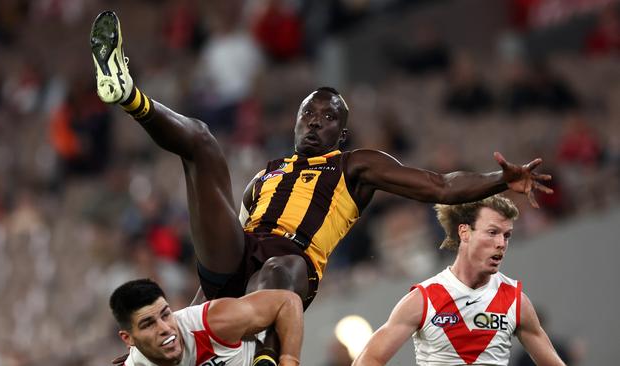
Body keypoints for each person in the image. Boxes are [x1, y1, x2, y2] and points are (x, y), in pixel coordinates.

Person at [90, 10, 552, 365]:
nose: (315, 122)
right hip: (240, 259)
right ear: (294, 124)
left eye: (328, 117)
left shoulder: (355, 165)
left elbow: (440, 185)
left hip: (293, 264)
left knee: (282, 269)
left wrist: (500, 179)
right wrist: (176, 335)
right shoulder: (263, 179)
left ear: (342, 134)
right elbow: (214, 283)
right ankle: (128, 93)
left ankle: (270, 359)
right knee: (205, 147)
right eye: (308, 114)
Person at [352, 195, 566, 366]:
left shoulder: (516, 301)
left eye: (507, 235)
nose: (501, 243)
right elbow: (367, 360)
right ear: (464, 232)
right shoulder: (423, 300)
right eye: (492, 232)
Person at [109, 278, 303, 366]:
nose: (165, 328)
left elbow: (287, 302)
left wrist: (288, 361)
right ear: (128, 339)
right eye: (148, 324)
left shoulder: (212, 322)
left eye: (166, 314)